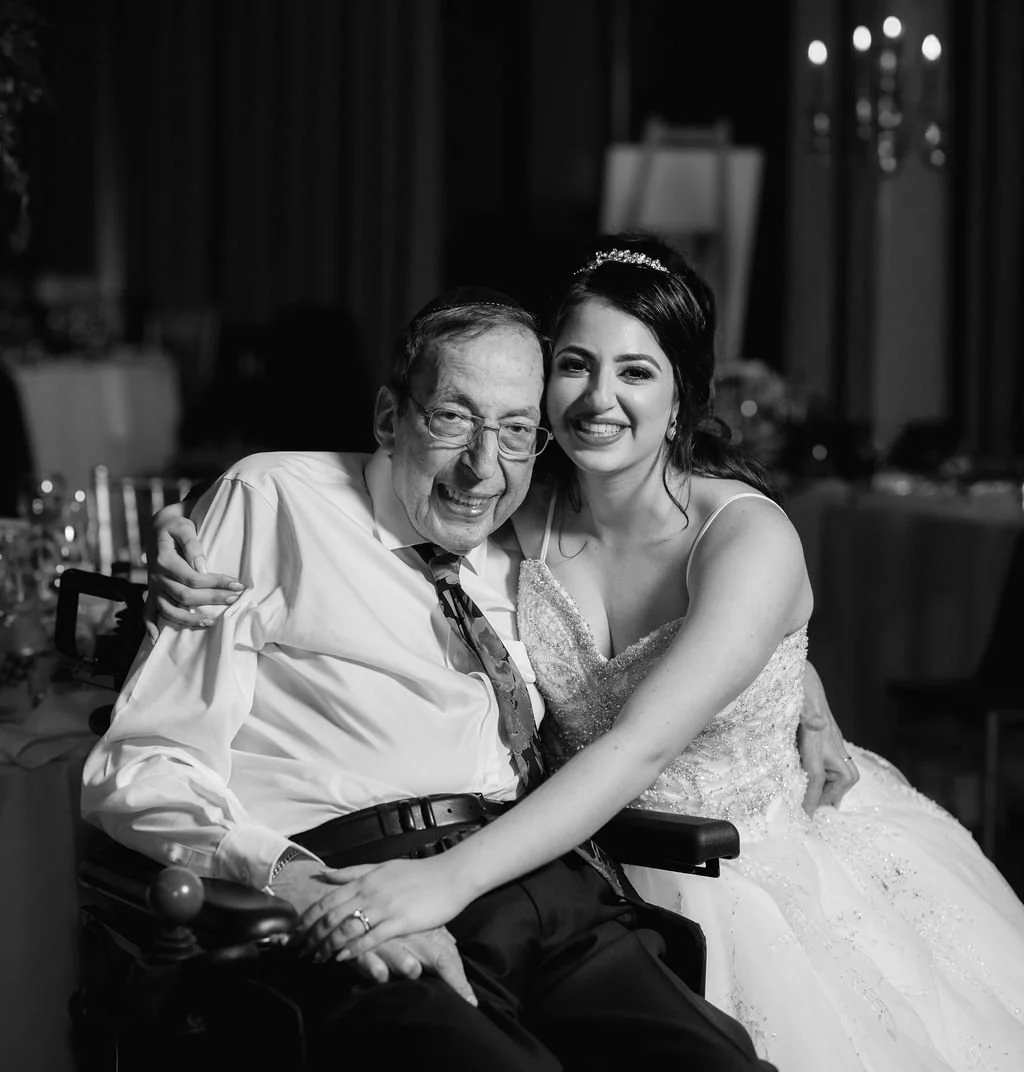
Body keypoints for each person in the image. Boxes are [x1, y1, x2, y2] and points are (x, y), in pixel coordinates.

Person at [148, 236, 1024, 1070]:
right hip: (565, 857)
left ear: (682, 395)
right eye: (575, 365)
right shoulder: (519, 505)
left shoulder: (745, 538)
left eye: (636, 371)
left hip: (738, 868)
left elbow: (652, 727)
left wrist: (446, 883)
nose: (598, 399)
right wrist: (192, 522)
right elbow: (384, 478)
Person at [82, 287, 773, 1071]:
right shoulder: (270, 503)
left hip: (534, 884)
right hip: (360, 887)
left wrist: (798, 683)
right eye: (452, 418)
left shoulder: (526, 534)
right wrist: (298, 882)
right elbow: (138, 768)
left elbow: (678, 619)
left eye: (517, 430)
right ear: (388, 417)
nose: (483, 467)